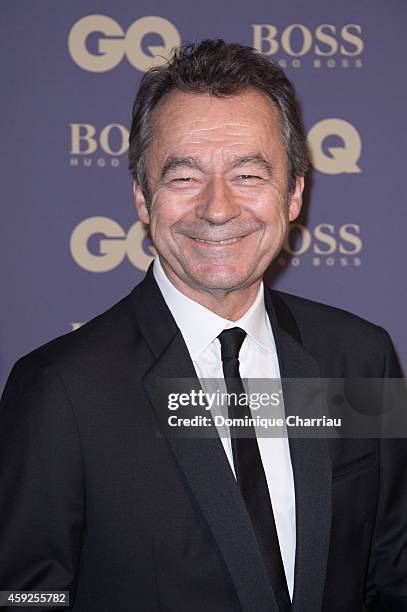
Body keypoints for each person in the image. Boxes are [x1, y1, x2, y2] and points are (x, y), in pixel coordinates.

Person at [0, 39, 406, 612]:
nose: (217, 208)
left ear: (293, 194)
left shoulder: (360, 357)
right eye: (184, 178)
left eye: (247, 175)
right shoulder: (59, 391)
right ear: (143, 197)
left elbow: (391, 572)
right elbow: (24, 597)